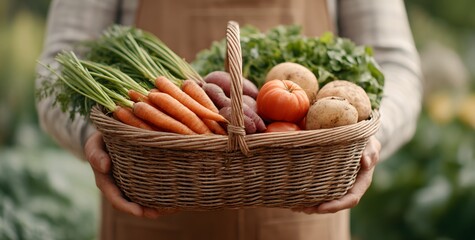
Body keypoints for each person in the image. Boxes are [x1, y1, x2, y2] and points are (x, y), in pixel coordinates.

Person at [36, 0, 423, 239]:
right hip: (151, 214)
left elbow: (398, 67)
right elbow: (57, 68)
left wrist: (367, 139)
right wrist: (103, 136)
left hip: (306, 212)